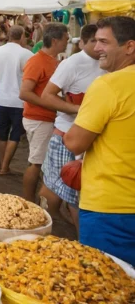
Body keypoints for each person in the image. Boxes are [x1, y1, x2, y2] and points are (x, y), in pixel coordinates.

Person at [63, 16, 135, 266]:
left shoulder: (108, 85)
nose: (97, 48)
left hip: (110, 207)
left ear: (129, 46)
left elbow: (75, 142)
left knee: (106, 285)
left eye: (104, 42)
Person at [40, 24, 104, 228]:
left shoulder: (110, 64)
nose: (100, 46)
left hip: (93, 139)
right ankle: (44, 226)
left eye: (104, 41)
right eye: (96, 41)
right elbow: (46, 95)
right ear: (84, 42)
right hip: (66, 136)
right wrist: (77, 109)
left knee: (73, 193)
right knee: (64, 191)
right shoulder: (73, 64)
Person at [19, 23, 69, 204]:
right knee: (36, 162)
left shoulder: (52, 60)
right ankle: (29, 202)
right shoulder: (37, 60)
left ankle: (35, 201)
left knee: (40, 161)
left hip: (45, 118)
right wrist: (51, 103)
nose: (68, 41)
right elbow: (24, 93)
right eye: (66, 39)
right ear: (55, 40)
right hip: (39, 118)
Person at [0, 25, 33, 175]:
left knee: (2, 133)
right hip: (19, 100)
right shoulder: (26, 54)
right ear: (21, 37)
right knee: (15, 134)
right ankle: (5, 166)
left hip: (2, 99)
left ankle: (1, 165)